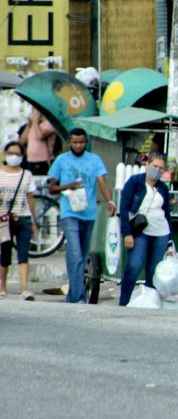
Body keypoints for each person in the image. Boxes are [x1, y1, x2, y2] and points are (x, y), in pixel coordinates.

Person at [48, 128, 116, 304]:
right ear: (69, 142)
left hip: (88, 214)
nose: (78, 145)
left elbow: (102, 182)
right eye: (75, 142)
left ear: (86, 142)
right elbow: (52, 188)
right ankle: (79, 298)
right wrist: (69, 186)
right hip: (69, 213)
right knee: (76, 254)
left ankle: (72, 296)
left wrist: (110, 201)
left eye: (82, 142)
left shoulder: (94, 160)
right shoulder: (61, 160)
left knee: (80, 256)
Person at [118, 155, 172, 307]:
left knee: (154, 271)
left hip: (161, 231)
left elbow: (167, 213)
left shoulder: (163, 188)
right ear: (147, 165)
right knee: (133, 267)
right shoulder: (135, 182)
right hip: (140, 230)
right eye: (155, 166)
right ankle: (124, 303)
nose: (157, 170)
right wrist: (126, 233)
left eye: (161, 168)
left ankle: (149, 304)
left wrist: (170, 239)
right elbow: (124, 207)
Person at [0, 142, 37, 300]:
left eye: (18, 154)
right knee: (4, 255)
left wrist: (33, 221)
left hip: (23, 218)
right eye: (11, 153)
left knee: (23, 254)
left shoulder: (27, 175)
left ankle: (24, 289)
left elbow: (30, 198)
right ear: (5, 154)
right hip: (3, 221)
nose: (14, 156)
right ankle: (2, 288)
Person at [19, 107, 57, 175]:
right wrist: (29, 125)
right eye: (32, 112)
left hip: (43, 160)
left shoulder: (49, 124)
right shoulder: (32, 125)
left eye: (36, 112)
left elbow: (40, 136)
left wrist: (35, 122)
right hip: (30, 160)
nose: (34, 114)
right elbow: (22, 141)